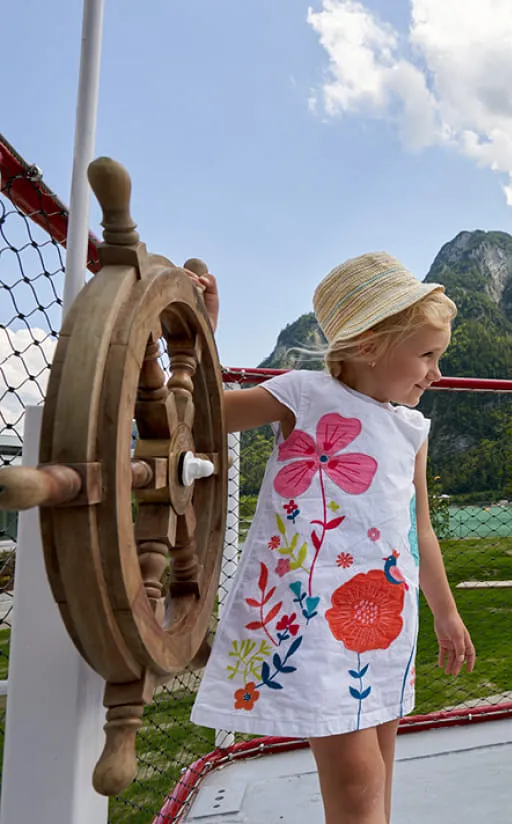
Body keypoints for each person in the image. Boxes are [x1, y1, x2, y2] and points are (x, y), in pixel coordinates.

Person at [186, 252, 474, 824]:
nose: (436, 374)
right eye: (426, 355)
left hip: (386, 621)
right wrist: (203, 333)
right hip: (316, 621)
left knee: (382, 772)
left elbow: (420, 528)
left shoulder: (412, 428)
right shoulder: (305, 395)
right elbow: (201, 416)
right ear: (368, 346)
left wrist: (445, 611)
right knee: (358, 782)